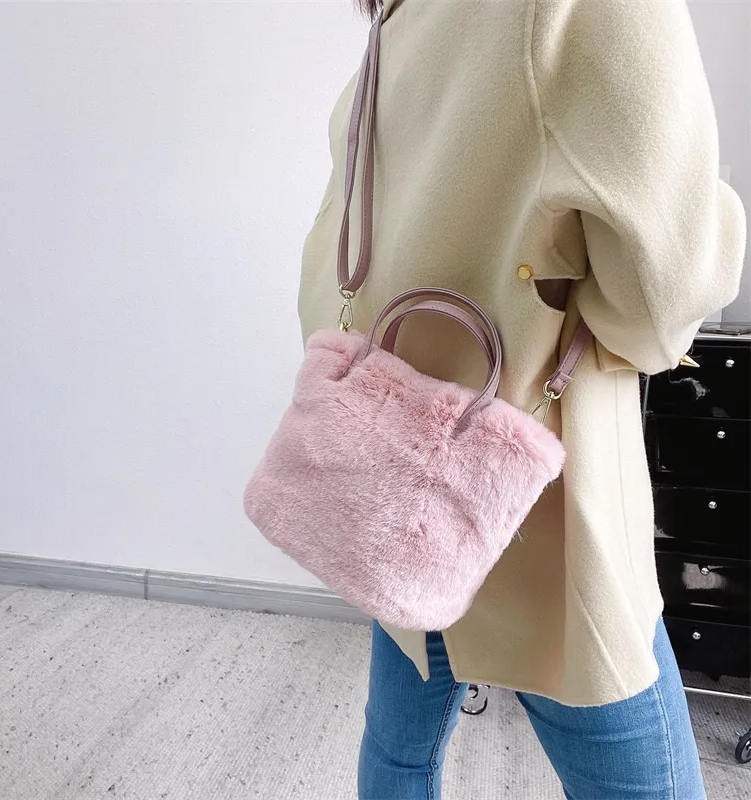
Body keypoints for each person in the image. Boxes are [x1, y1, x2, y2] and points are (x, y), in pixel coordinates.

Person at [297, 1, 747, 798]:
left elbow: (340, 249)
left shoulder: (399, 16)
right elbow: (663, 288)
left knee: (399, 748)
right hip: (532, 484)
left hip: (402, 453)